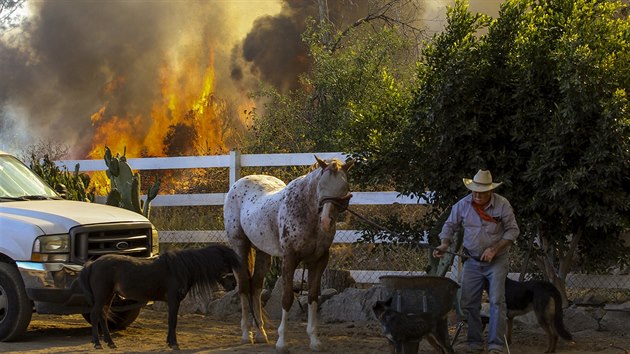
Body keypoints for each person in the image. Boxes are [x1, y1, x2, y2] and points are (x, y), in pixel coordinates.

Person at [433, 170, 519, 354]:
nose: (477, 195)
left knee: (497, 301)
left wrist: (495, 249)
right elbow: (449, 225)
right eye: (474, 191)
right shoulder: (463, 205)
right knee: (469, 302)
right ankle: (475, 343)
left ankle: (496, 345)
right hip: (471, 259)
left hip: (497, 260)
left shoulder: (502, 204)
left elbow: (512, 231)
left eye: (481, 192)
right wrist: (444, 244)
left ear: (490, 191)